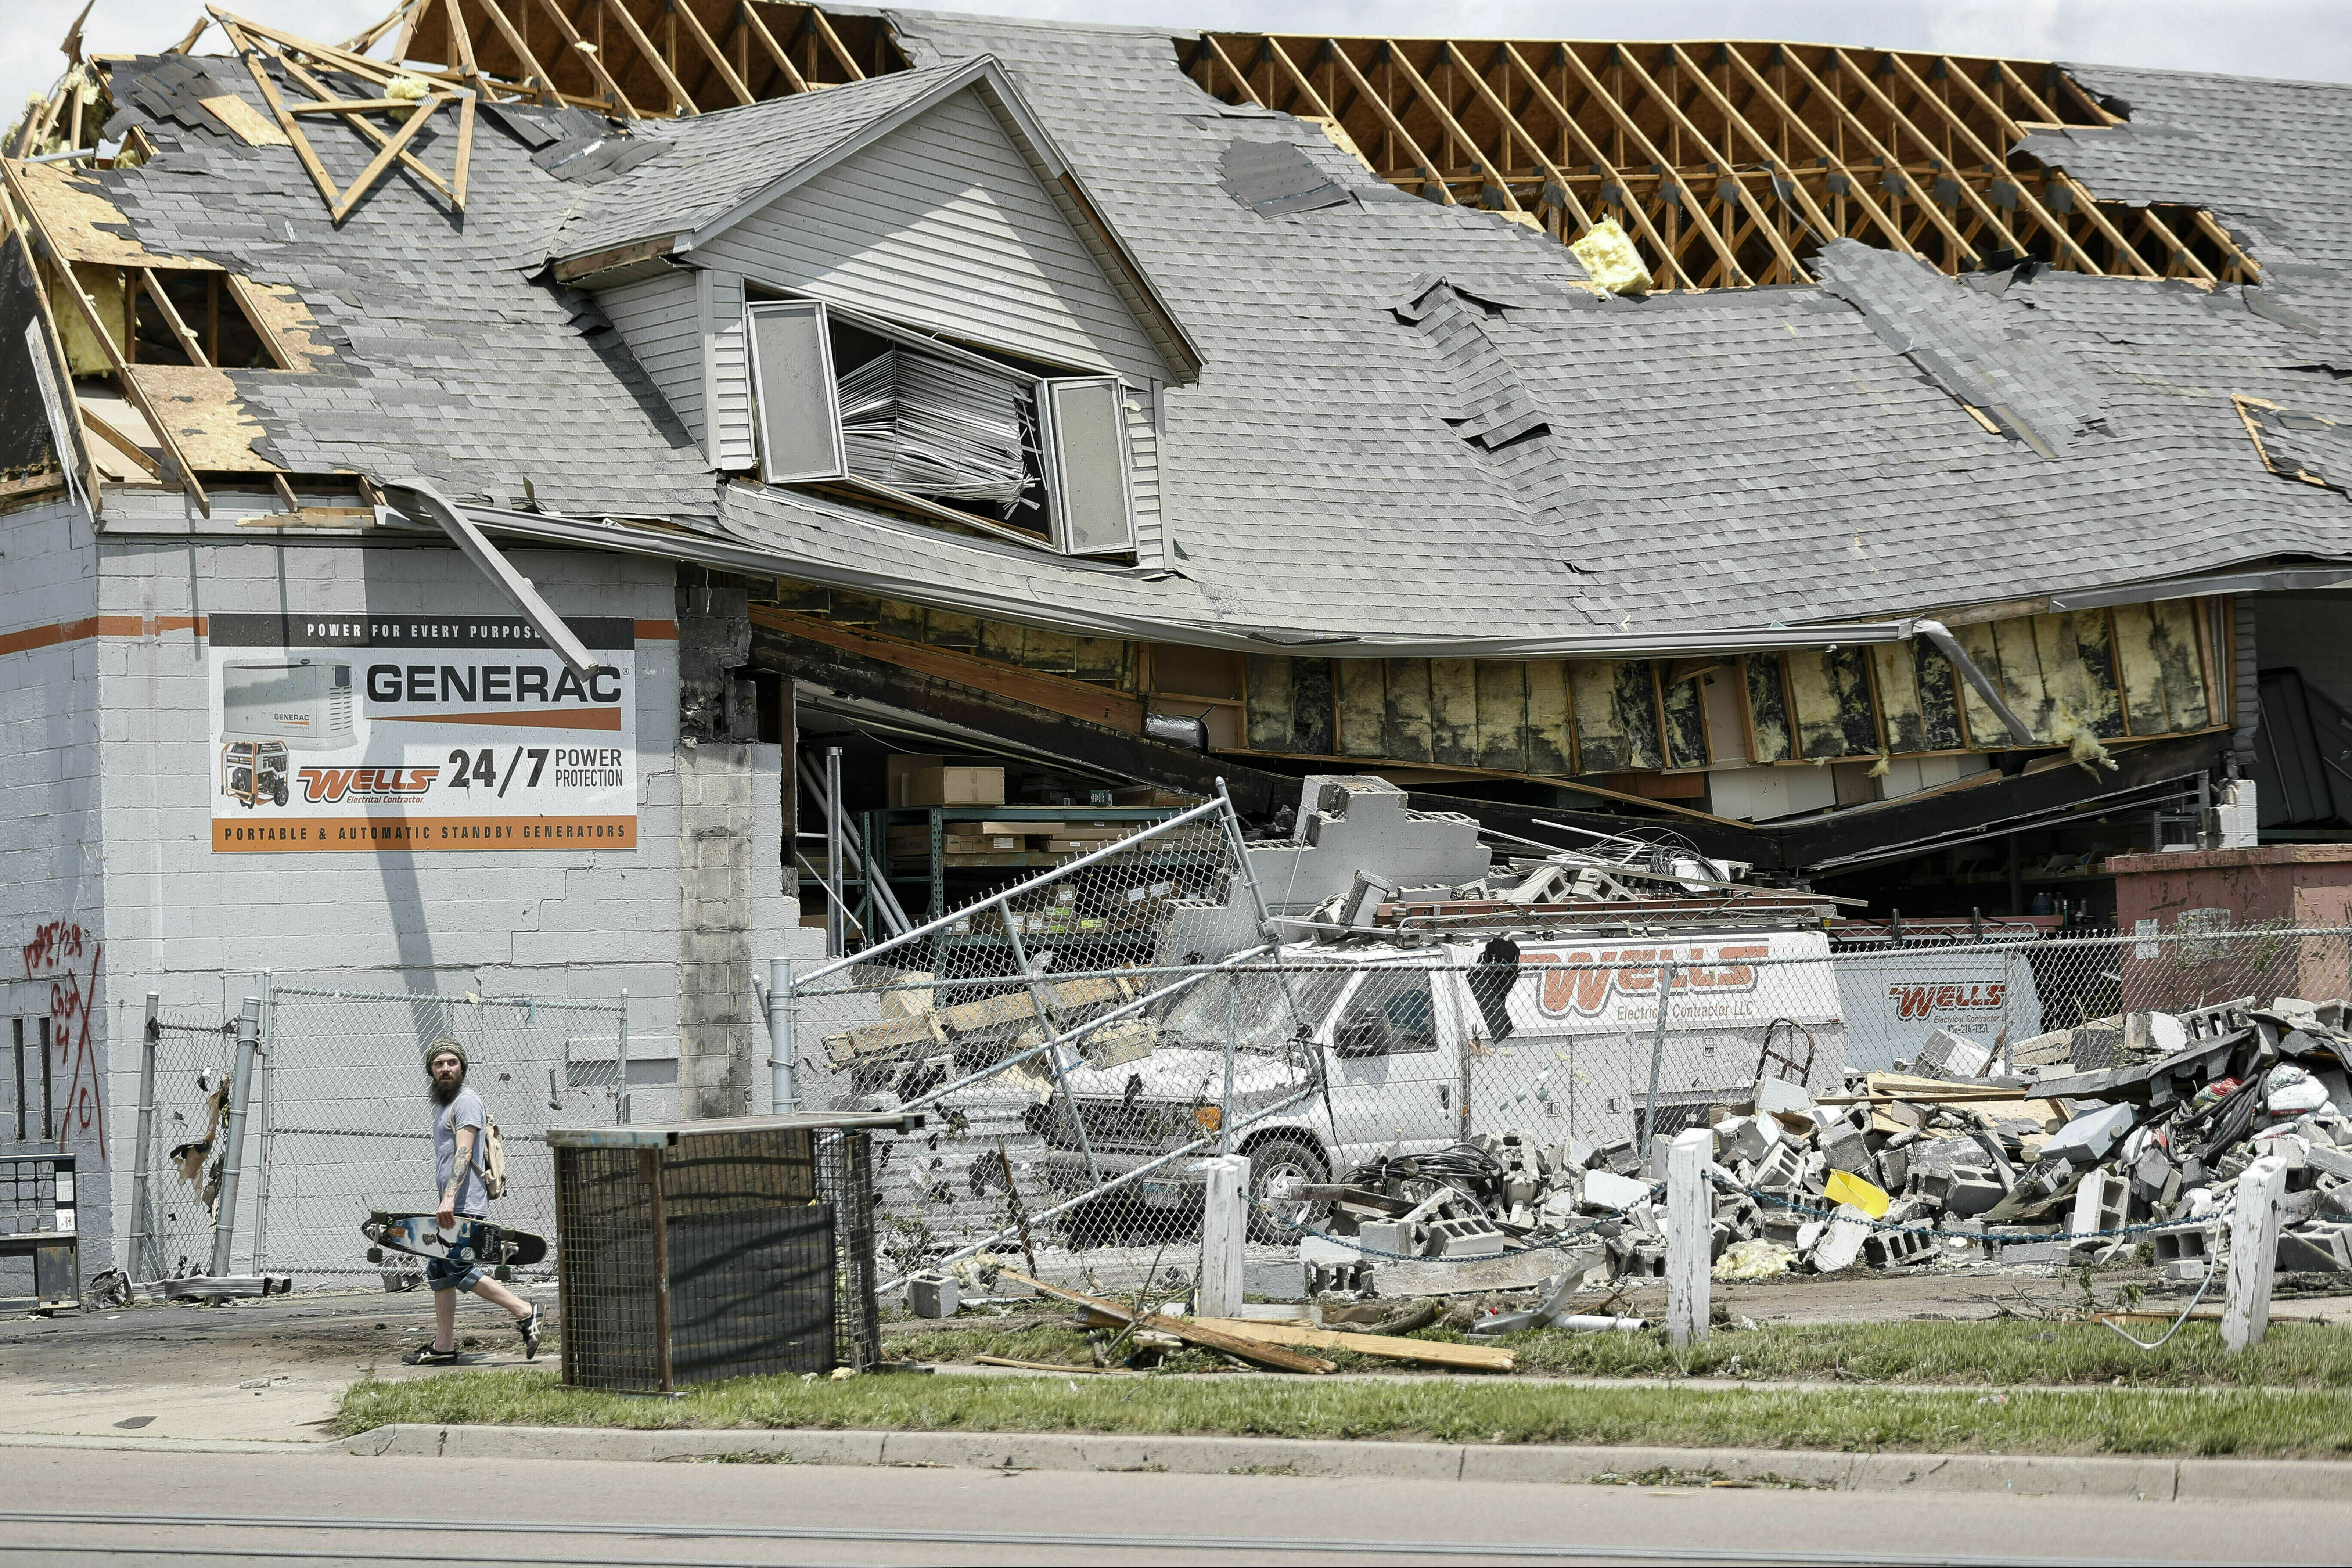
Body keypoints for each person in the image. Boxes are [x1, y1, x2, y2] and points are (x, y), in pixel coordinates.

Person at [406, 1038, 543, 1365]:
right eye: (439, 1064)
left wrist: (450, 1199)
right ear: (431, 1070)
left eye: (452, 1063)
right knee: (438, 1269)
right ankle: (443, 1347)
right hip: (453, 1202)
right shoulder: (446, 1104)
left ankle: (526, 1311)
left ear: (463, 1068)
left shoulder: (466, 1102)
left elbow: (464, 1153)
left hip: (463, 1203)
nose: (445, 1069)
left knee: (457, 1267)